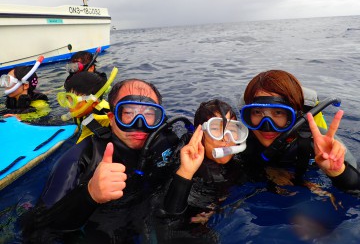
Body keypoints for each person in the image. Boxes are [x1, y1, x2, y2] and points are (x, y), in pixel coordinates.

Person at [21, 78, 192, 243]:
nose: (139, 124)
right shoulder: (83, 158)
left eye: (148, 114)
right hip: (99, 227)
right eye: (128, 113)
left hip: (149, 218)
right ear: (111, 118)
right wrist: (89, 194)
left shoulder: (168, 144)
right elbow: (34, 230)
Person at [238, 69, 360, 191]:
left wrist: (337, 172)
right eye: (257, 112)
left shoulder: (317, 140)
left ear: (295, 115)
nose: (267, 126)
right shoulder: (239, 137)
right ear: (248, 115)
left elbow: (356, 190)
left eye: (278, 112)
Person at [156, 99, 249, 243]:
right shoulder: (185, 168)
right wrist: (185, 173)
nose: (226, 139)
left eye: (232, 129)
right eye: (216, 129)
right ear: (199, 134)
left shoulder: (238, 164)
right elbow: (167, 222)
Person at [57, 67, 118, 143]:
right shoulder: (82, 112)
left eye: (73, 101)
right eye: (67, 99)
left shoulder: (102, 121)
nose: (68, 106)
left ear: (94, 103)